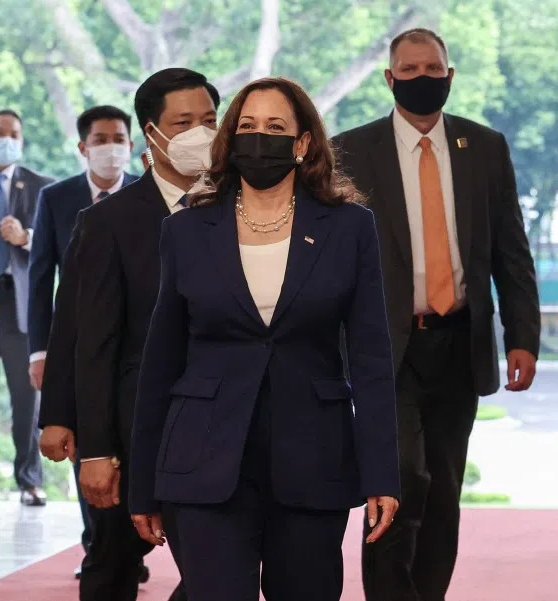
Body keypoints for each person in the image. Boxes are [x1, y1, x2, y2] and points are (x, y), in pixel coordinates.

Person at [128, 77, 402, 601]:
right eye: (247, 126)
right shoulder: (187, 229)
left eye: (275, 127)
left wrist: (381, 474)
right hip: (205, 458)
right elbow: (161, 361)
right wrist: (143, 483)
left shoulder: (350, 228)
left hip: (313, 460)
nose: (260, 138)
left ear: (302, 144)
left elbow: (370, 360)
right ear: (229, 139)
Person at [333, 28, 540, 601]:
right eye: (410, 69)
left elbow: (510, 249)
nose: (422, 79)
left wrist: (522, 334)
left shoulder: (485, 146)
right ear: (389, 78)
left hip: (459, 341)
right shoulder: (351, 150)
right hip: (385, 347)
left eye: (433, 69)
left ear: (449, 76)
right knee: (399, 479)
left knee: (443, 489)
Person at [72, 67, 218, 601]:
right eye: (184, 123)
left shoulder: (243, 209)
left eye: (209, 120)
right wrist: (96, 449)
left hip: (220, 425)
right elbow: (94, 343)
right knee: (112, 565)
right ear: (151, 133)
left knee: (215, 571)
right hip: (134, 428)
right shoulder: (109, 222)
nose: (200, 134)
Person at [33, 104, 138, 580]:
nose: (110, 148)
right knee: (89, 442)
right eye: (101, 139)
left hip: (134, 346)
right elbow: (41, 280)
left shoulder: (147, 196)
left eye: (119, 138)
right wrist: (41, 351)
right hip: (77, 345)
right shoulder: (57, 198)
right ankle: (98, 535)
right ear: (83, 147)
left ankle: (126, 545)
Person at [0, 109, 53, 507]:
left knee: (28, 398)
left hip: (22, 302)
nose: (8, 139)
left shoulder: (41, 186)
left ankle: (29, 479)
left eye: (15, 134)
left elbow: (60, 244)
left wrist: (26, 237)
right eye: (0, 133)